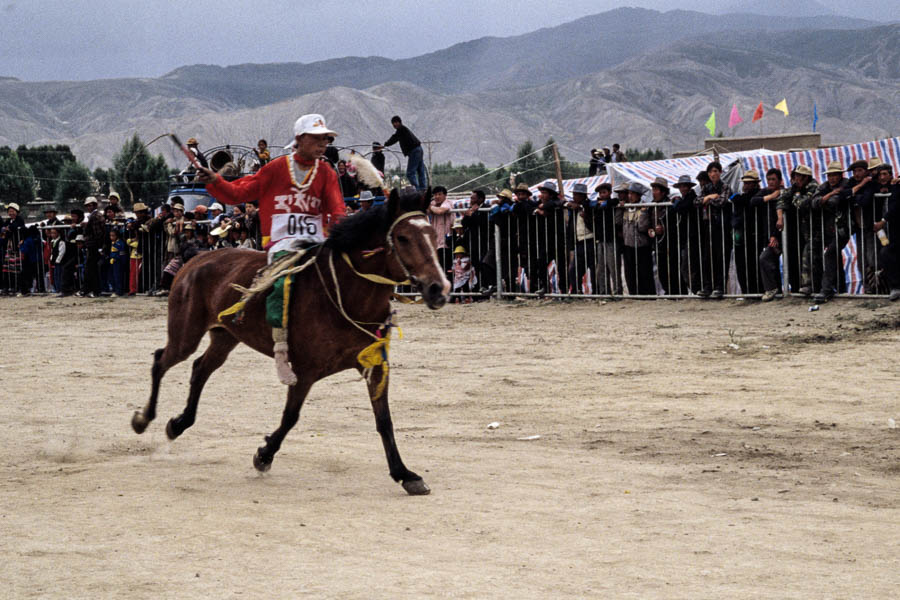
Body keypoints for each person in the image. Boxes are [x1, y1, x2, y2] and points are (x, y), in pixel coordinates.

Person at [197, 113, 345, 385]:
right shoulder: (275, 168)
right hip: (283, 241)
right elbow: (239, 192)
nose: (324, 143)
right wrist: (214, 181)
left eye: (327, 139)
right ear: (299, 139)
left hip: (317, 240)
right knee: (282, 283)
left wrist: (341, 234)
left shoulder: (326, 172)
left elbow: (336, 208)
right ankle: (280, 351)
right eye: (318, 138)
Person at [810, 160, 850, 302]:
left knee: (830, 253)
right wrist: (830, 194)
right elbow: (814, 202)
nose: (832, 178)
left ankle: (826, 290)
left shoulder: (846, 183)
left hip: (843, 227)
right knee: (833, 256)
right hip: (827, 228)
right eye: (830, 175)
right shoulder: (825, 186)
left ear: (840, 175)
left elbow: (835, 202)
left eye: (835, 175)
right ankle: (840, 288)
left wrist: (825, 199)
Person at [778, 165, 819, 297]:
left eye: (798, 176)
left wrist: (795, 195)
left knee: (808, 259)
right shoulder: (795, 189)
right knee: (793, 259)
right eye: (794, 176)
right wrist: (780, 217)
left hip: (813, 230)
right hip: (797, 231)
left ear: (806, 177)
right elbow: (781, 200)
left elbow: (801, 203)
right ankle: (796, 288)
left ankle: (810, 287)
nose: (795, 179)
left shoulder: (813, 187)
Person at [696, 161, 732, 299]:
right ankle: (707, 286)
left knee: (721, 257)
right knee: (707, 257)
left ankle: (719, 286)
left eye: (715, 171)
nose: (713, 174)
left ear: (720, 172)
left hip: (722, 226)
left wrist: (707, 200)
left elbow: (722, 201)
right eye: (710, 172)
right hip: (708, 226)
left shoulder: (725, 186)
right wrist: (710, 197)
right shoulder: (707, 187)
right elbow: (697, 201)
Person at [754, 168, 786, 301]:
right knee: (766, 258)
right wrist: (770, 197)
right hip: (773, 235)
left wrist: (774, 235)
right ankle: (773, 289)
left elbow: (781, 210)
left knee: (793, 263)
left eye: (773, 179)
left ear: (780, 180)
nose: (771, 182)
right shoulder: (766, 192)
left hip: (786, 234)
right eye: (769, 179)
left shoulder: (785, 192)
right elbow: (753, 201)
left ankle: (795, 291)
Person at [730, 170, 763, 295]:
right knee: (741, 265)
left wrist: (739, 199)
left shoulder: (757, 195)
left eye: (749, 183)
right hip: (742, 235)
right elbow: (733, 198)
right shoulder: (741, 197)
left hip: (754, 235)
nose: (746, 185)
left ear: (755, 184)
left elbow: (747, 201)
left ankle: (756, 291)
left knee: (753, 264)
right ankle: (746, 292)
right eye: (745, 183)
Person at [622, 182, 654, 295]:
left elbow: (643, 227)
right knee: (630, 272)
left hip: (642, 245)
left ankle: (648, 295)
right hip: (628, 246)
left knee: (644, 272)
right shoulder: (625, 207)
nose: (630, 196)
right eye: (629, 193)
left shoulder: (644, 207)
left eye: (633, 194)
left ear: (639, 195)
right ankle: (633, 294)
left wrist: (644, 212)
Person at [565, 183, 596, 293]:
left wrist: (582, 210)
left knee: (593, 269)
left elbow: (593, 225)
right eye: (574, 194)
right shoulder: (573, 207)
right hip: (579, 241)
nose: (574, 197)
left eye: (577, 195)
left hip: (591, 240)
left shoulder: (589, 205)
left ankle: (596, 293)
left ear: (583, 196)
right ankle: (576, 291)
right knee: (574, 270)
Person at [591, 182, 620, 295]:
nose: (602, 195)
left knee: (613, 267)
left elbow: (615, 201)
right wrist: (598, 204)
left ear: (609, 193)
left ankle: (617, 291)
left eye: (604, 192)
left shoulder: (612, 203)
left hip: (611, 238)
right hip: (600, 239)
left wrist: (604, 204)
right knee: (601, 268)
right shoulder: (596, 204)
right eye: (600, 193)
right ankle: (604, 292)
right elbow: (588, 203)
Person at [383, 115, 426, 191]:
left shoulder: (401, 130)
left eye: (395, 123)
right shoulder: (402, 130)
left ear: (399, 122)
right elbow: (395, 137)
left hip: (414, 151)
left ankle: (417, 189)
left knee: (410, 173)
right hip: (418, 149)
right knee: (420, 170)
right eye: (393, 123)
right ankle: (423, 188)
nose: (394, 125)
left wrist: (385, 144)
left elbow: (394, 138)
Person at [876, 171, 900, 300]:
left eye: (885, 174)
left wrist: (884, 220)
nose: (882, 177)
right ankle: (895, 287)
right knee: (887, 253)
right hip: (895, 232)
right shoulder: (894, 186)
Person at [79, 196, 105, 297]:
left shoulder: (94, 216)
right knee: (91, 269)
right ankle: (90, 290)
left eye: (90, 205)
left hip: (94, 246)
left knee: (91, 269)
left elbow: (98, 233)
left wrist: (98, 247)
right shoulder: (95, 215)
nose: (88, 207)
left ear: (94, 205)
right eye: (87, 205)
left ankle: (93, 291)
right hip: (93, 245)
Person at [428, 185, 453, 270]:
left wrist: (430, 208)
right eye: (435, 195)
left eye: (439, 194)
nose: (437, 197)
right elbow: (425, 209)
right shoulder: (433, 203)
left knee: (445, 267)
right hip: (435, 242)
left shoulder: (448, 203)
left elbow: (440, 211)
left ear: (445, 195)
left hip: (446, 242)